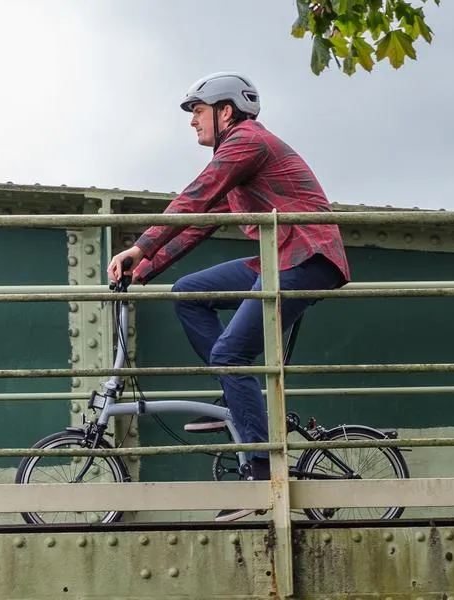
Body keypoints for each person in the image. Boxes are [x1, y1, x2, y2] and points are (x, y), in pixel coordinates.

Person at [107, 71, 351, 522]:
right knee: (188, 293)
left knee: (231, 354)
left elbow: (193, 199)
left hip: (304, 257)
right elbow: (202, 221)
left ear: (225, 111)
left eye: (197, 111)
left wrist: (141, 244)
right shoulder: (237, 162)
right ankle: (236, 395)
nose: (192, 122)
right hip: (277, 258)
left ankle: (260, 474)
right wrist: (145, 269)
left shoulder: (246, 142)